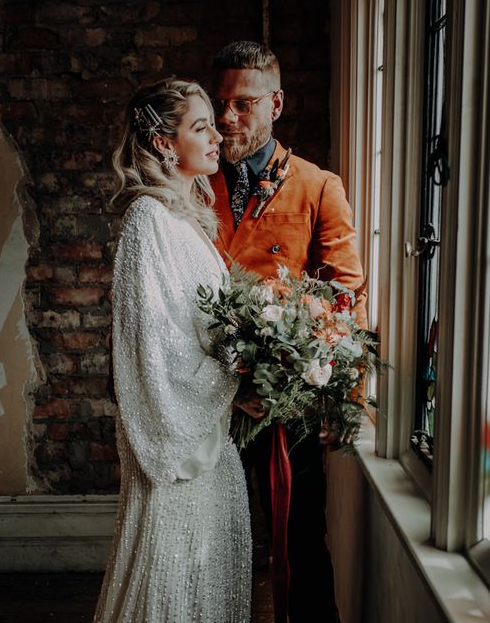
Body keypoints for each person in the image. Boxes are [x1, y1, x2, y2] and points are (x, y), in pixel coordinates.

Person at [209, 41, 368, 623]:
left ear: (275, 103)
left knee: (297, 538)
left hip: (286, 401)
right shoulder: (197, 184)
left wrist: (342, 397)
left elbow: (346, 296)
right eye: (222, 103)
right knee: (214, 533)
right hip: (206, 391)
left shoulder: (319, 185)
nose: (228, 118)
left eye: (243, 104)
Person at [92, 78, 251, 623]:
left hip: (208, 428)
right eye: (201, 126)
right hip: (176, 438)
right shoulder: (148, 222)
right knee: (169, 574)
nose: (218, 136)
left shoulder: (185, 219)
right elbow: (153, 348)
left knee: (201, 575)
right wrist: (236, 372)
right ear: (164, 142)